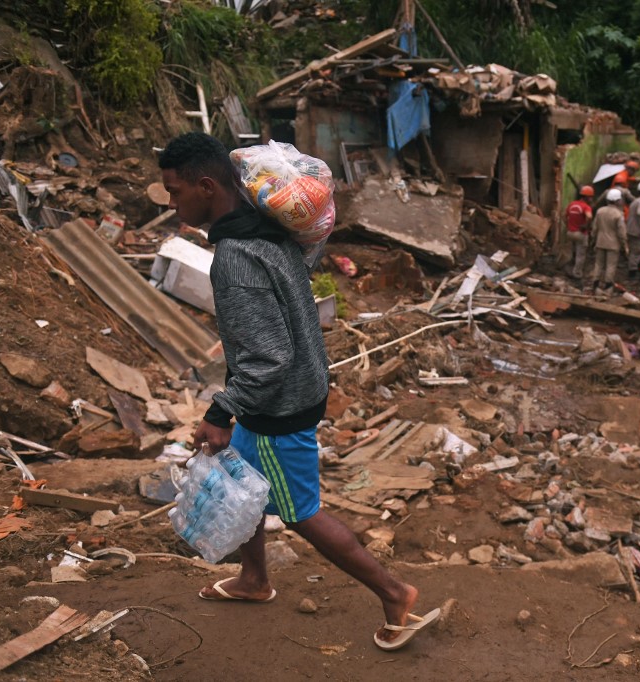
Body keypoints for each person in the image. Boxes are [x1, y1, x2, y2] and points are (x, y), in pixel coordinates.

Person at [158, 132, 435, 651]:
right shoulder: (266, 228)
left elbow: (268, 357)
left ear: (206, 185)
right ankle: (254, 579)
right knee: (243, 482)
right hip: (297, 386)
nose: (173, 204)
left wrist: (221, 410)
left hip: (279, 404)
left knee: (299, 511)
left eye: (175, 192)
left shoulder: (237, 258)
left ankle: (395, 593)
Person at [588, 188, 628, 296]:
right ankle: (608, 287)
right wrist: (625, 245)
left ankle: (595, 285)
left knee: (598, 264)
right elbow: (621, 233)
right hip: (613, 244)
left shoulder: (600, 211)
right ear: (617, 201)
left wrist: (593, 239)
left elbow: (594, 228)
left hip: (600, 242)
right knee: (611, 265)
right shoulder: (618, 214)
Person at [565, 185, 594, 281]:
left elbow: (563, 216)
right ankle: (577, 274)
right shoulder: (586, 207)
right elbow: (589, 217)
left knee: (571, 251)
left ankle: (568, 268)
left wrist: (568, 225)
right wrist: (586, 225)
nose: (591, 199)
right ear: (586, 197)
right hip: (580, 234)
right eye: (590, 197)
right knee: (580, 254)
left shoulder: (572, 204)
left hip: (570, 233)